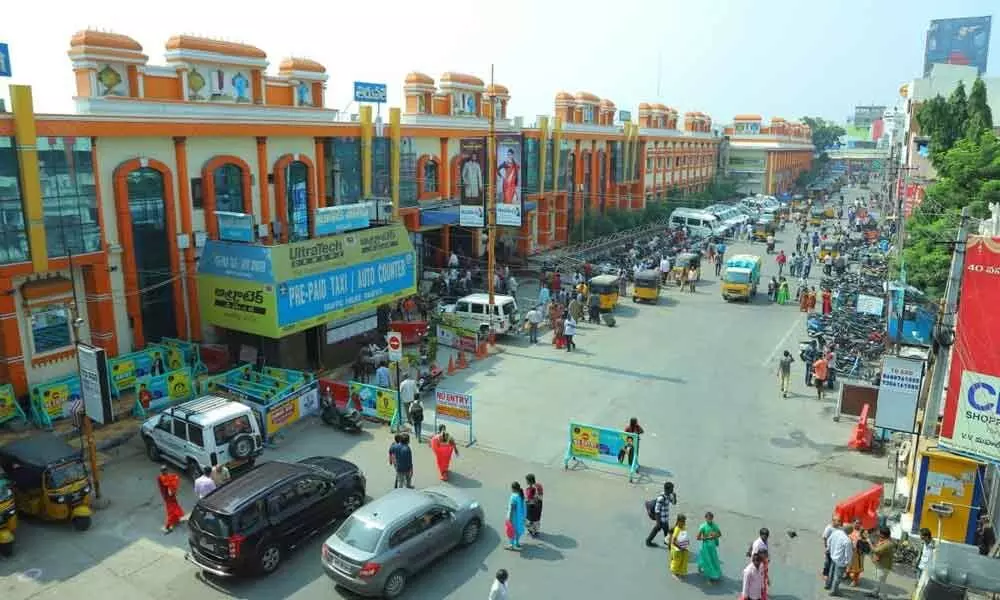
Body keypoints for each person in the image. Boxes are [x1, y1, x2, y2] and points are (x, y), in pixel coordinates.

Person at [868, 526, 897, 599]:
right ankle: (874, 593)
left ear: (883, 534)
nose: (878, 534)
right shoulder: (884, 541)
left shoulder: (888, 544)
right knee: (878, 580)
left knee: (882, 582)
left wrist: (869, 543)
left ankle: (884, 597)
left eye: (880, 533)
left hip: (884, 566)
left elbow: (876, 550)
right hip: (880, 564)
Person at [645, 481, 677, 547]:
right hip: (661, 519)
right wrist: (658, 522)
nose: (673, 490)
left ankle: (667, 542)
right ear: (668, 489)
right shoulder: (661, 498)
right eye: (672, 489)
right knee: (657, 529)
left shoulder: (669, 496)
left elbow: (674, 503)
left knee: (666, 531)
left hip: (665, 518)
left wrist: (674, 497)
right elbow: (657, 510)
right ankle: (648, 541)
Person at [826, 524, 854, 596]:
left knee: (831, 573)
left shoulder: (836, 532)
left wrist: (829, 549)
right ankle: (834, 591)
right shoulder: (847, 541)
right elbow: (848, 554)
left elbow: (829, 541)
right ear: (850, 532)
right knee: (838, 577)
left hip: (833, 556)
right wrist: (848, 564)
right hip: (841, 561)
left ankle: (828, 585)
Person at [156, 465, 184, 534]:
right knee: (171, 511)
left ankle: (175, 521)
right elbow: (169, 483)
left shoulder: (162, 477)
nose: (165, 472)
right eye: (165, 470)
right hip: (168, 497)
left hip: (169, 497)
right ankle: (168, 526)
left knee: (173, 509)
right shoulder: (163, 478)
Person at [696, 511, 723, 583]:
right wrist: (708, 538)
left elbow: (720, 534)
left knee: (714, 560)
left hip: (712, 546)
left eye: (711, 518)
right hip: (705, 546)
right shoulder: (702, 526)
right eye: (708, 518)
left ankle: (715, 574)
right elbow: (698, 538)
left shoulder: (714, 525)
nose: (710, 520)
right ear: (705, 518)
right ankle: (709, 577)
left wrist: (714, 536)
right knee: (707, 561)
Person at [845, 519, 868, 586]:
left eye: (859, 523)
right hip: (850, 551)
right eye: (856, 523)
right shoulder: (850, 529)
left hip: (858, 553)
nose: (857, 524)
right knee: (848, 565)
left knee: (856, 568)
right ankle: (847, 574)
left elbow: (865, 543)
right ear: (853, 523)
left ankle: (855, 581)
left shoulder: (863, 532)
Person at [750, 528, 771, 600]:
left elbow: (766, 551)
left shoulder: (765, 540)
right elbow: (755, 556)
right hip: (759, 564)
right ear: (761, 535)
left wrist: (767, 559)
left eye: (767, 536)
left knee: (763, 579)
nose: (766, 537)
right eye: (765, 536)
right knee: (758, 580)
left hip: (763, 562)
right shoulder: (757, 544)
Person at [506, 481, 526, 550]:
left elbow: (512, 509)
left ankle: (511, 545)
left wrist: (510, 519)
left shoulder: (514, 497)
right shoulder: (521, 496)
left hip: (514, 517)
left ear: (513, 488)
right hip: (520, 517)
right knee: (518, 530)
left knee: (511, 531)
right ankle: (517, 543)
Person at [670, 514, 690, 578]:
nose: (684, 523)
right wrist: (681, 548)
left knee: (683, 560)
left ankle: (680, 572)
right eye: (683, 521)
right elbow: (673, 542)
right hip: (677, 549)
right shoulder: (677, 529)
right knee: (677, 561)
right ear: (678, 521)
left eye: (684, 521)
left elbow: (684, 536)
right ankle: (674, 573)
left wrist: (686, 544)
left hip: (683, 547)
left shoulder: (683, 527)